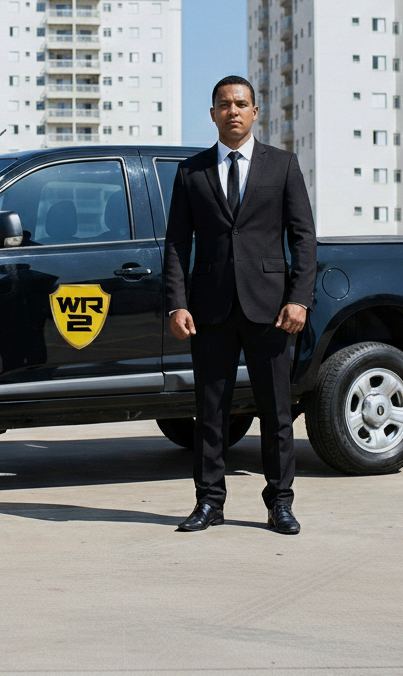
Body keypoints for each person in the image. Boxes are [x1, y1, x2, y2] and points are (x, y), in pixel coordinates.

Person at [163, 75, 316, 534]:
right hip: (210, 310)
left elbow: (303, 238)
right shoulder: (191, 172)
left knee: (277, 412)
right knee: (210, 412)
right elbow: (176, 243)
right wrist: (176, 304)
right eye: (225, 105)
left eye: (241, 103)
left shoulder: (282, 165)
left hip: (271, 310)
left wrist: (299, 299)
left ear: (254, 112)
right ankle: (209, 501)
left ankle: (280, 502)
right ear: (213, 114)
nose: (233, 111)